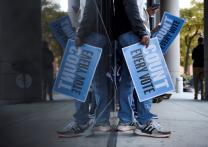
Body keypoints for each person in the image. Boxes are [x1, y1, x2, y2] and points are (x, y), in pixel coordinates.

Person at [57, 0, 114, 137]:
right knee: (99, 81)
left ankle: (81, 120)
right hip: (104, 36)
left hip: (91, 36)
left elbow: (90, 9)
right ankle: (102, 121)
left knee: (80, 80)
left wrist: (80, 34)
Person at [114, 0, 170, 138]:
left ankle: (126, 121)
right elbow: (131, 9)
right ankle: (145, 122)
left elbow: (132, 10)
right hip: (133, 35)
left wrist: (147, 15)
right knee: (146, 77)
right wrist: (141, 32)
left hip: (127, 34)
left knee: (128, 79)